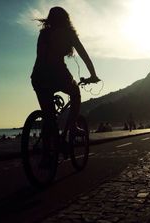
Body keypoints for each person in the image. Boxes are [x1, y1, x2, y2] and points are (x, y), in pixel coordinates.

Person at [31, 6, 100, 142]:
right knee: (75, 92)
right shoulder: (68, 33)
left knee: (49, 117)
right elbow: (84, 56)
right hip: (58, 74)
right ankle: (73, 126)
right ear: (66, 19)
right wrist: (93, 75)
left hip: (38, 76)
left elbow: (40, 56)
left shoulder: (43, 33)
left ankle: (46, 157)